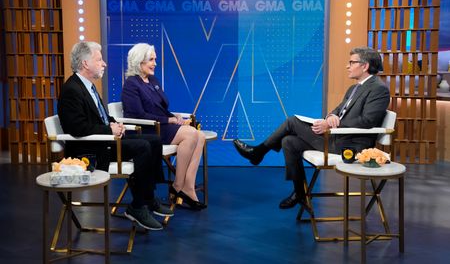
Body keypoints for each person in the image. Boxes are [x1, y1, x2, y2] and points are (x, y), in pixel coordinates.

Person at [233, 47, 390, 210]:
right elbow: (338, 110)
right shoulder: (354, 88)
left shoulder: (378, 88)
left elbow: (368, 121)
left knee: (292, 122)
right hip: (337, 137)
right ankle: (299, 192)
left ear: (364, 66)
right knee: (289, 141)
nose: (347, 66)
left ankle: (259, 152)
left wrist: (330, 124)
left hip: (350, 146)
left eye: (352, 62)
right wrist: (331, 117)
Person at [58, 41, 173, 230]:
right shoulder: (72, 90)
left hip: (105, 140)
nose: (104, 64)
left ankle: (148, 198)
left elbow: (99, 116)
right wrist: (108, 130)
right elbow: (77, 128)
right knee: (143, 146)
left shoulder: (87, 86)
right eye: (99, 59)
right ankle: (137, 206)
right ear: (85, 63)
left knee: (153, 140)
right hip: (91, 150)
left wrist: (113, 123)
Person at [121, 43, 206, 211]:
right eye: (151, 60)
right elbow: (137, 116)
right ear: (139, 62)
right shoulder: (131, 85)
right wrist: (169, 121)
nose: (155, 63)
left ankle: (188, 186)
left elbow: (160, 107)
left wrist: (173, 116)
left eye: (155, 59)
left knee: (200, 136)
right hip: (148, 130)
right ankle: (177, 186)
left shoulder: (152, 80)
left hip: (162, 124)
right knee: (190, 135)